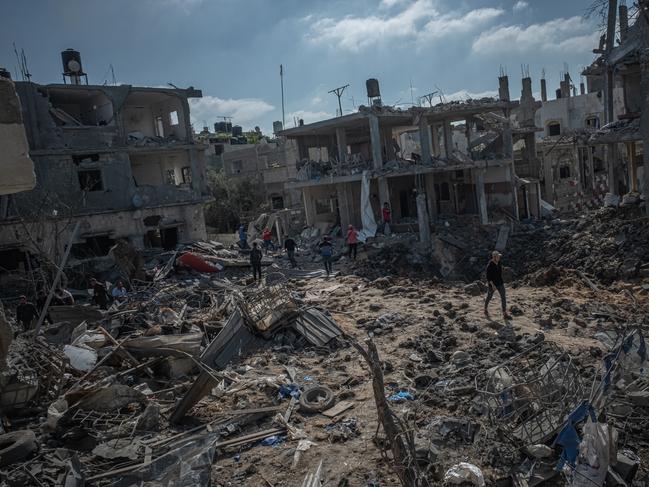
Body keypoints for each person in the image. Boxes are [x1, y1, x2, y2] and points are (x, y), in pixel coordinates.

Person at [484, 250, 512, 320]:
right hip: (492, 284)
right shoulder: (490, 265)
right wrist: (493, 285)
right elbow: (488, 277)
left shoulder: (499, 262)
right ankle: (485, 308)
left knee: (503, 297)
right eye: (498, 256)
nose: (499, 257)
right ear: (494, 257)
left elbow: (499, 272)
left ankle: (504, 313)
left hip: (500, 283)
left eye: (499, 256)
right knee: (489, 297)